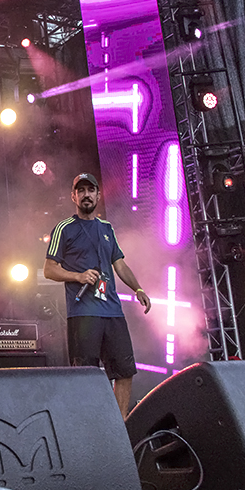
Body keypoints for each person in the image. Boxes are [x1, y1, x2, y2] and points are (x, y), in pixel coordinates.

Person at [43, 173, 151, 417]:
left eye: (90, 190)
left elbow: (119, 264)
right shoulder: (64, 228)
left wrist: (138, 289)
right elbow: (49, 269)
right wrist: (78, 276)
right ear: (73, 196)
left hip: (113, 312)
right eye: (80, 191)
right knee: (85, 375)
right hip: (83, 313)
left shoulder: (106, 228)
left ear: (98, 195)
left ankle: (120, 424)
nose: (86, 195)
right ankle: (90, 424)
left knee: (124, 371)